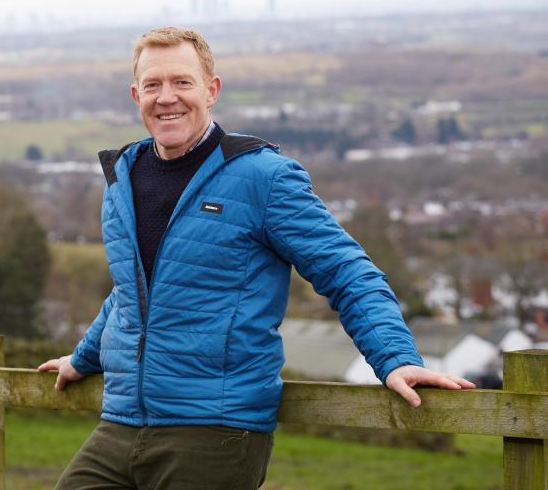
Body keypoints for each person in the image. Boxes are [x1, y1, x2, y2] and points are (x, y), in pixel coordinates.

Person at [38, 27, 474, 490]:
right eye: (153, 85)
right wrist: (84, 359)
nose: (167, 98)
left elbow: (346, 271)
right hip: (123, 421)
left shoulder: (262, 178)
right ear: (135, 94)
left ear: (212, 90)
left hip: (215, 428)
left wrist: (395, 358)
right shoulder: (123, 177)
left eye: (182, 82)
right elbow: (134, 290)